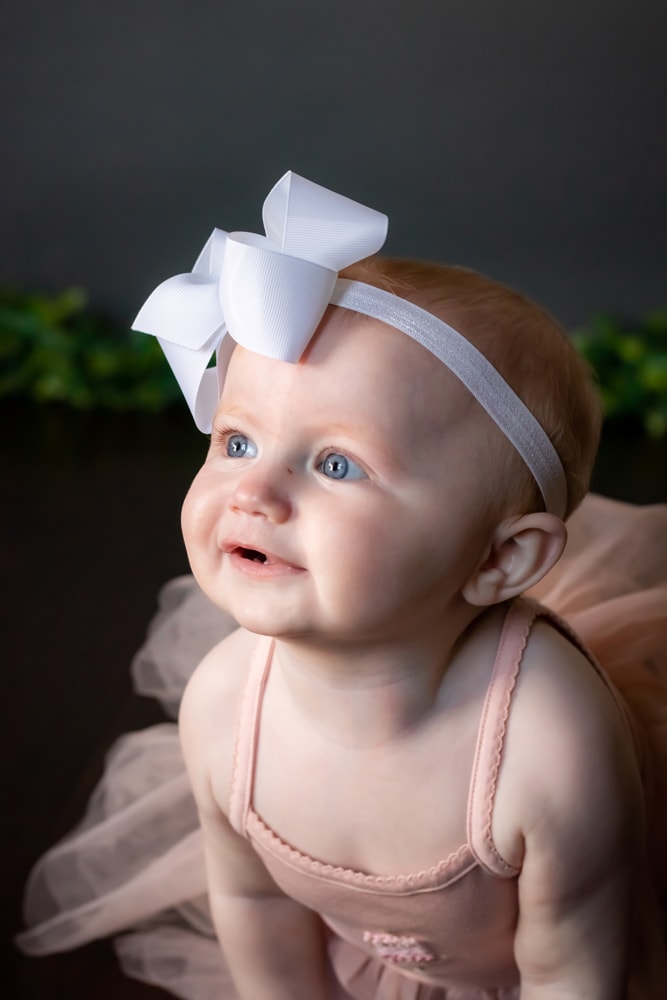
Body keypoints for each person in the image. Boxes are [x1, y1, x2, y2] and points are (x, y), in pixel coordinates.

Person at [16, 173, 667, 999]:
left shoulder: (549, 745)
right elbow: (252, 902)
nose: (254, 493)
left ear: (497, 561)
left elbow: (572, 964)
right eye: (238, 441)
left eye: (335, 464)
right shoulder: (224, 706)